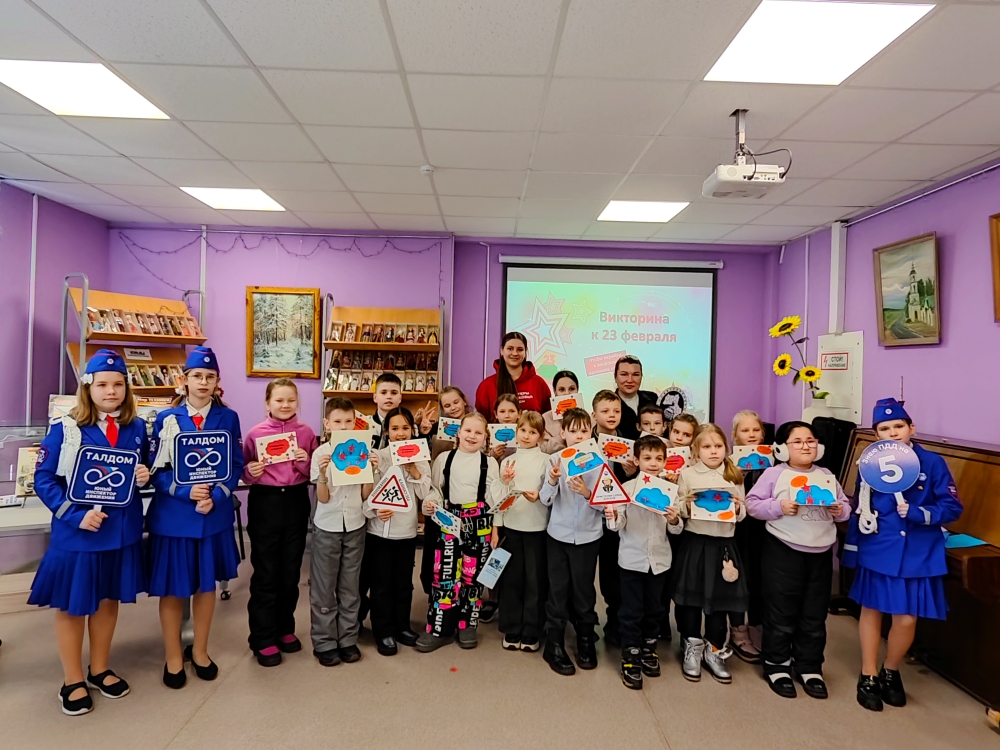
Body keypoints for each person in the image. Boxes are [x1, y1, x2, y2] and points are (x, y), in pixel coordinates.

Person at [29, 350, 151, 715]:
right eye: (102, 385)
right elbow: (44, 479)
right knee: (74, 604)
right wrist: (73, 514)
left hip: (120, 530)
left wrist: (143, 476)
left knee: (108, 600)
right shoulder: (65, 428)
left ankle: (99, 668)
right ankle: (72, 679)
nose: (111, 391)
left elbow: (139, 469)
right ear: (88, 388)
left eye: (118, 384)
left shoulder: (137, 428)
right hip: (79, 533)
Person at [843, 398, 963, 712]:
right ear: (876, 434)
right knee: (872, 610)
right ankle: (868, 673)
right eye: (885, 428)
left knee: (907, 618)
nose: (893, 432)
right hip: (879, 548)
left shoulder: (932, 462)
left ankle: (891, 669)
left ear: (912, 428)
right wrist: (852, 550)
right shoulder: (870, 464)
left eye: (899, 426)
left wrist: (920, 513)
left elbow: (952, 507)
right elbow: (860, 508)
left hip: (918, 553)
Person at [147, 346, 243, 688]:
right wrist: (184, 492)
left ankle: (200, 651)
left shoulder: (228, 418)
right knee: (173, 590)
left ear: (217, 382)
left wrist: (216, 496)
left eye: (210, 376)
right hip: (174, 517)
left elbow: (235, 465)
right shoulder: (166, 419)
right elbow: (155, 471)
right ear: (184, 380)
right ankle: (173, 656)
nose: (203, 382)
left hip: (211, 517)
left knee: (206, 586)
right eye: (197, 376)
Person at [746, 421, 850, 699]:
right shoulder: (774, 474)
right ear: (782, 448)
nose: (806, 446)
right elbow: (752, 504)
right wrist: (778, 506)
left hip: (820, 554)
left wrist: (839, 510)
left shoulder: (826, 475)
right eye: (798, 441)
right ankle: (777, 664)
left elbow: (845, 508)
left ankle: (809, 666)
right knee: (781, 609)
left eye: (811, 441)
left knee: (814, 613)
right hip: (783, 550)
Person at [241, 379, 318, 667]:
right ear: (268, 403)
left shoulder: (306, 433)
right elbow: (244, 472)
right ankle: (262, 637)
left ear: (297, 402)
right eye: (279, 400)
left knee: (290, 570)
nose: (285, 405)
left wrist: (304, 460)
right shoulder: (255, 434)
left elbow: (314, 473)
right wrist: (250, 470)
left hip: (296, 500)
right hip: (266, 502)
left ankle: (285, 627)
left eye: (291, 400)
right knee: (266, 571)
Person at [417, 412, 501, 652]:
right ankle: (439, 628)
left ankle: (467, 625)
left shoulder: (490, 463)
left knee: (472, 578)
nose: (472, 436)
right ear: (459, 433)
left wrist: (495, 530)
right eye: (468, 431)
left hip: (480, 523)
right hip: (448, 521)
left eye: (478, 432)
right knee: (444, 575)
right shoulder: (444, 459)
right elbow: (435, 489)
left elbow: (495, 500)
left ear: (485, 437)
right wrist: (431, 503)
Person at [605, 435, 683, 690]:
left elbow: (676, 529)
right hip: (632, 561)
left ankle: (649, 647)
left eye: (659, 458)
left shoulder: (671, 492)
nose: (653, 463)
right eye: (647, 458)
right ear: (636, 460)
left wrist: (674, 519)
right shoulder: (627, 489)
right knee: (631, 609)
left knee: (655, 608)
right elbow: (617, 525)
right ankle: (630, 653)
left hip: (659, 561)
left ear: (665, 461)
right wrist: (612, 514)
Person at [674, 423, 747, 683]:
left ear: (726, 448)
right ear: (696, 451)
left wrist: (738, 508)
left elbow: (742, 513)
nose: (713, 451)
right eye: (706, 446)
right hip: (695, 543)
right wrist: (686, 505)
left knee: (720, 601)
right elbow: (678, 509)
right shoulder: (687, 474)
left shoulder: (734, 475)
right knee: (691, 599)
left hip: (724, 546)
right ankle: (691, 645)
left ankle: (715, 649)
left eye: (718, 446)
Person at [309, 397, 378, 666]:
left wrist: (371, 470)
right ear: (327, 424)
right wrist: (323, 473)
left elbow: (364, 495)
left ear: (356, 423)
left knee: (350, 586)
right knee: (324, 586)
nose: (344, 426)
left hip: (355, 524)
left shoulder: (361, 449)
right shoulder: (321, 453)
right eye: (337, 421)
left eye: (349, 421)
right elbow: (323, 498)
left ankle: (348, 638)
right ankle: (324, 640)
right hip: (327, 526)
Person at [540, 408, 606, 676]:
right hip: (558, 536)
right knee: (557, 590)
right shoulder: (555, 460)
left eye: (584, 430)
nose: (579, 436)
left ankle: (586, 640)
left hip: (589, 537)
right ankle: (554, 644)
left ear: (591, 432)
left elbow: (607, 505)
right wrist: (552, 480)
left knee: (584, 591)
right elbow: (545, 499)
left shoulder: (600, 462)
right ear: (563, 433)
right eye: (573, 431)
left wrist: (588, 493)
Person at [362, 407, 431, 656]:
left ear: (412, 430)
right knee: (381, 583)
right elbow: (365, 495)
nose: (400, 433)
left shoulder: (421, 457)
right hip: (379, 532)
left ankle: (402, 626)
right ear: (386, 431)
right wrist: (374, 510)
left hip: (407, 532)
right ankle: (383, 631)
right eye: (395, 428)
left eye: (405, 428)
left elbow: (425, 493)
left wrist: (414, 470)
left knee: (403, 583)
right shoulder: (377, 457)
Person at [493, 410, 550, 652]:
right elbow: (499, 498)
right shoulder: (507, 461)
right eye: (523, 430)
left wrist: (540, 496)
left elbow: (551, 494)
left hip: (537, 528)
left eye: (532, 432)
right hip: (511, 528)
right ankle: (512, 627)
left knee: (535, 582)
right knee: (511, 581)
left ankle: (531, 630)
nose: (526, 436)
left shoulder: (547, 461)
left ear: (541, 436)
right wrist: (496, 528)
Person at [592, 390, 639, 648]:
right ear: (594, 414)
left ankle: (615, 623)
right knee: (585, 574)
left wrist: (631, 473)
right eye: (605, 411)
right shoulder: (585, 443)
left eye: (616, 411)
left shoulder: (628, 443)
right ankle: (583, 623)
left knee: (613, 574)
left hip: (616, 519)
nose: (612, 415)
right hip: (588, 517)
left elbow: (634, 484)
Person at [415, 385, 473, 595]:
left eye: (456, 402)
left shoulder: (476, 425)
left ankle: (463, 591)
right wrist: (422, 431)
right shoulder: (436, 427)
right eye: (447, 405)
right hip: (439, 492)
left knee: (464, 551)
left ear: (464, 400)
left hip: (466, 497)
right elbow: (422, 454)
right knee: (435, 547)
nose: (453, 407)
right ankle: (433, 591)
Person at [729, 409, 768, 663]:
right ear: (735, 435)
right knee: (736, 579)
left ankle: (757, 625)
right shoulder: (727, 463)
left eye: (756, 430)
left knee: (761, 577)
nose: (751, 434)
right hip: (736, 530)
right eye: (745, 430)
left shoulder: (773, 463)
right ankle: (737, 630)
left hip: (765, 531)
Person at [474, 332, 551, 421]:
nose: (515, 353)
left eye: (520, 349)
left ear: (525, 352)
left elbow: (547, 418)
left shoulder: (539, 383)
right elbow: (480, 421)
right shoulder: (486, 385)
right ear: (502, 350)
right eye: (510, 349)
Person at [540, 370, 590, 453]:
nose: (567, 393)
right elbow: (544, 450)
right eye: (561, 389)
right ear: (555, 392)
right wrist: (563, 433)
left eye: (572, 389)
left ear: (577, 389)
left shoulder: (589, 418)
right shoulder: (545, 419)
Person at [613, 356, 659, 441]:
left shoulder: (653, 399)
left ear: (641, 377)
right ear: (615, 377)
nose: (630, 380)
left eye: (635, 375)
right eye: (624, 374)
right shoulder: (608, 404)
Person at [370, 373, 404, 449]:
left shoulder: (409, 425)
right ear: (375, 397)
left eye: (394, 393)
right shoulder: (363, 424)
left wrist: (423, 433)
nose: (389, 396)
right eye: (383, 392)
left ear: (400, 398)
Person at [491, 393, 520, 463]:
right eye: (502, 411)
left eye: (512, 411)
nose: (507, 415)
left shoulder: (525, 433)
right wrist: (493, 455)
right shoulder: (488, 435)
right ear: (496, 414)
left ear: (519, 413)